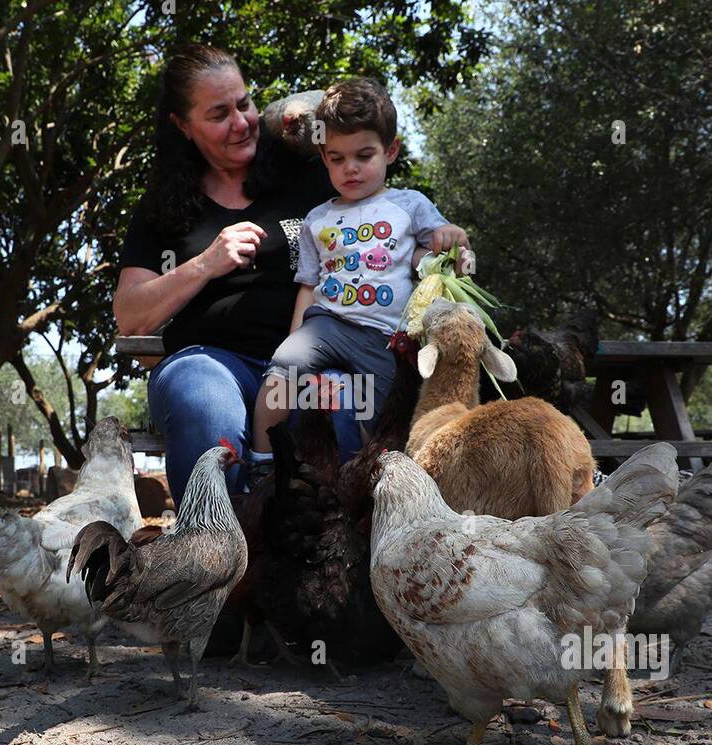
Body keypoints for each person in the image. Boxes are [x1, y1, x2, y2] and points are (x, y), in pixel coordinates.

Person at [113, 46, 469, 504]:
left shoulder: (314, 172)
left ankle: (336, 561)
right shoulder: (163, 208)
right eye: (219, 114)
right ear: (183, 126)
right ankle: (212, 557)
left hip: (328, 357)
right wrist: (205, 263)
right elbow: (131, 316)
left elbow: (386, 237)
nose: (241, 123)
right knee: (204, 400)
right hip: (212, 361)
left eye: (244, 104)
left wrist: (439, 251)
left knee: (344, 402)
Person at [244, 77, 470, 488]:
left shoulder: (409, 205)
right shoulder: (317, 219)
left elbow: (441, 243)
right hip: (326, 326)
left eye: (364, 155)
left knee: (383, 413)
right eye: (336, 158)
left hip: (384, 334)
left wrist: (452, 237)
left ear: (391, 150)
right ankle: (261, 463)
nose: (350, 168)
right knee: (279, 378)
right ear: (324, 159)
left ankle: (372, 483)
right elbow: (308, 286)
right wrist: (295, 339)